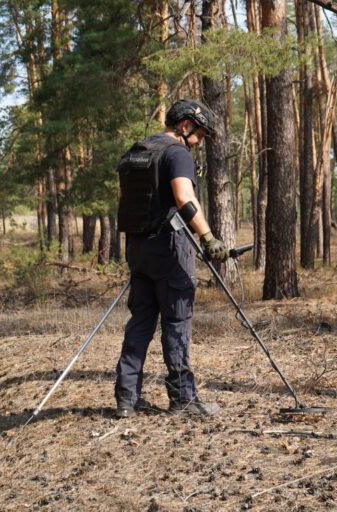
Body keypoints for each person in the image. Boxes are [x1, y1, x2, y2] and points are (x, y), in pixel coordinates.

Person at [114, 99, 229, 418]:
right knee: (177, 321)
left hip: (137, 249)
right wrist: (208, 237)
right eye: (200, 134)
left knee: (140, 321)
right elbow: (184, 197)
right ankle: (183, 399)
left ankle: (126, 398)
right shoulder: (177, 153)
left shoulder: (136, 151)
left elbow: (123, 200)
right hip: (170, 247)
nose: (200, 141)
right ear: (185, 125)